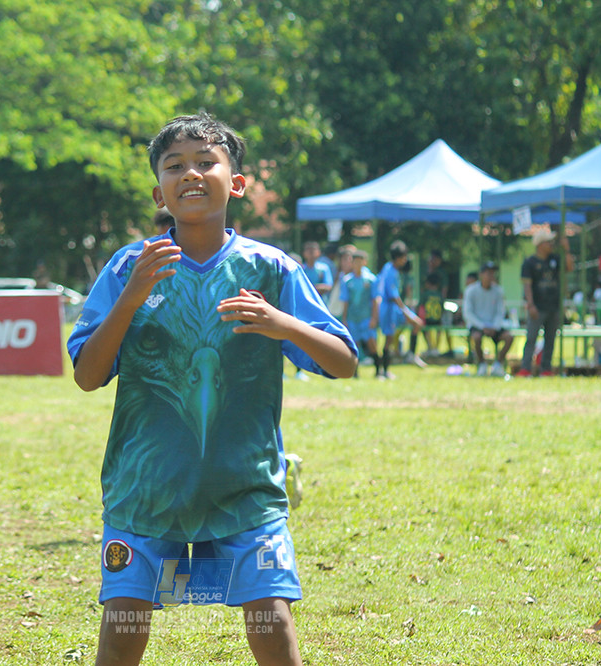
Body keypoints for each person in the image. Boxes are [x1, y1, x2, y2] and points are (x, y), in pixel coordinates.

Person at [67, 112, 357, 666]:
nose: (191, 174)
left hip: (244, 491)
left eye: (206, 161)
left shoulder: (270, 268)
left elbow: (343, 363)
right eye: (175, 165)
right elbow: (87, 376)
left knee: (272, 623)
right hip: (145, 490)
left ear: (237, 183)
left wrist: (283, 324)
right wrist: (131, 297)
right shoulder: (129, 267)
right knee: (123, 627)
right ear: (160, 192)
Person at [516, 229, 574, 377]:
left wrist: (566, 249)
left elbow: (569, 267)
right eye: (548, 242)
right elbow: (527, 286)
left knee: (550, 339)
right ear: (540, 245)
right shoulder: (530, 263)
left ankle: (546, 369)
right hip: (537, 307)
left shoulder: (555, 259)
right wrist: (530, 305)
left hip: (554, 306)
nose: (551, 245)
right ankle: (525, 368)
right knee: (531, 338)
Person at [375, 240, 424, 379]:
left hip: (393, 308)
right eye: (404, 257)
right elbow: (393, 296)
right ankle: (383, 370)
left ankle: (410, 354)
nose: (405, 260)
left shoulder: (389, 268)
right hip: (390, 309)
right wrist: (406, 311)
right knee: (388, 340)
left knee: (416, 324)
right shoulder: (391, 272)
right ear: (398, 258)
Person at [463, 261, 513, 377]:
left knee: (509, 337)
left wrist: (494, 326)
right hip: (477, 325)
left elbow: (500, 312)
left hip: (494, 325)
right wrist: (482, 326)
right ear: (481, 275)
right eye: (488, 273)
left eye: (493, 273)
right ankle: (482, 364)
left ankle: (498, 364)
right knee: (476, 338)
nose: (491, 276)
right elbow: (468, 313)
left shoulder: (498, 291)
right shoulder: (471, 290)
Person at [339, 249, 381, 377]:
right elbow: (345, 301)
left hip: (366, 317)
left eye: (360, 261)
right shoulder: (347, 281)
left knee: (372, 343)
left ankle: (378, 371)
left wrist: (374, 318)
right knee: (354, 345)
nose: (357, 264)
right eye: (355, 261)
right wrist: (344, 319)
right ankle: (355, 373)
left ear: (364, 262)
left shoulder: (370, 280)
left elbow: (375, 300)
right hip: (353, 317)